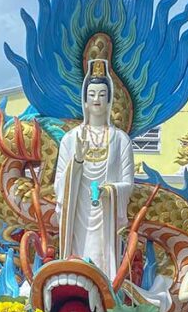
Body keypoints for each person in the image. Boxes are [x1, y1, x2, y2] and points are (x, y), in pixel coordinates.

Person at [53, 59, 135, 282]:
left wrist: (111, 190)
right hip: (78, 210)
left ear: (109, 100)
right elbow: (58, 183)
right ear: (85, 100)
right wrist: (77, 160)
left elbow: (128, 183)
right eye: (92, 94)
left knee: (102, 261)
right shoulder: (71, 139)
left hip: (106, 213)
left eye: (101, 94)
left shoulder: (120, 140)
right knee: (76, 259)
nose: (97, 99)